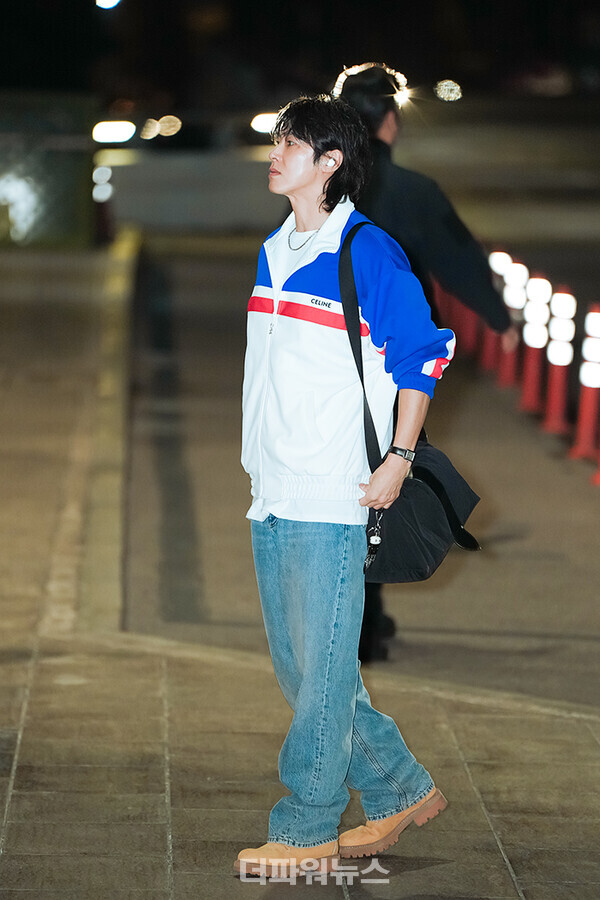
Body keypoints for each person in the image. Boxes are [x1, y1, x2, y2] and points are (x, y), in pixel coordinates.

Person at [235, 94, 454, 879]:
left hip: (335, 491)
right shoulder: (277, 248)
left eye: (291, 143)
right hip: (274, 488)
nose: (276, 151)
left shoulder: (366, 250)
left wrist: (399, 456)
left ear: (330, 162)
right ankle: (400, 786)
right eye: (277, 140)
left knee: (321, 674)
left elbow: (422, 355)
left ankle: (306, 827)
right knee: (306, 670)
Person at [336, 63, 518, 663]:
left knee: (339, 483)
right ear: (390, 122)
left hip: (330, 356)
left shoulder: (323, 189)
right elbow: (458, 256)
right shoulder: (415, 191)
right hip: (396, 365)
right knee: (388, 478)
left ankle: (353, 616)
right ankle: (367, 620)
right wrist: (498, 318)